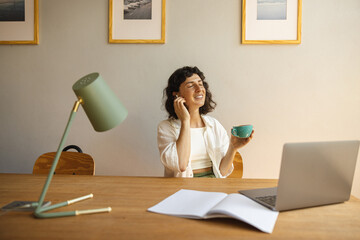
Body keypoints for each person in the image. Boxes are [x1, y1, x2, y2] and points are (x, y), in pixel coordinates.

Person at [157, 66, 254, 178]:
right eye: (190, 85)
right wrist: (185, 120)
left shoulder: (214, 125)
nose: (199, 89)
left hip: (213, 186)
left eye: (200, 84)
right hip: (183, 190)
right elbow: (181, 165)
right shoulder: (166, 127)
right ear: (177, 94)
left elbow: (221, 172)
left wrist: (233, 147)